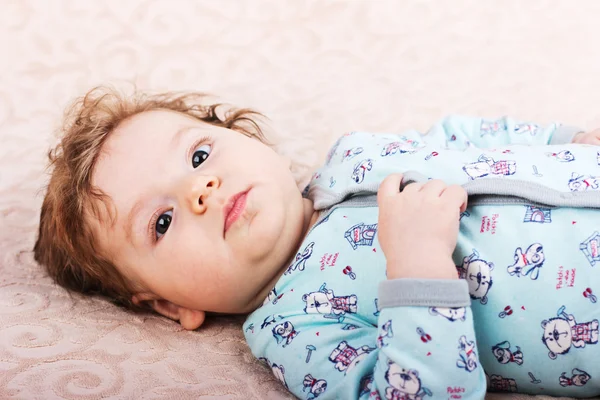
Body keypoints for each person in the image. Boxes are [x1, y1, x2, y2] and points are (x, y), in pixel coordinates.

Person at [34, 86, 600, 399]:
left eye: (199, 156)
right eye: (161, 221)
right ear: (167, 304)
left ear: (247, 137)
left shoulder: (354, 154)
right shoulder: (295, 328)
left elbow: (465, 135)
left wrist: (568, 139)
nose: (199, 189)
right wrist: (418, 267)